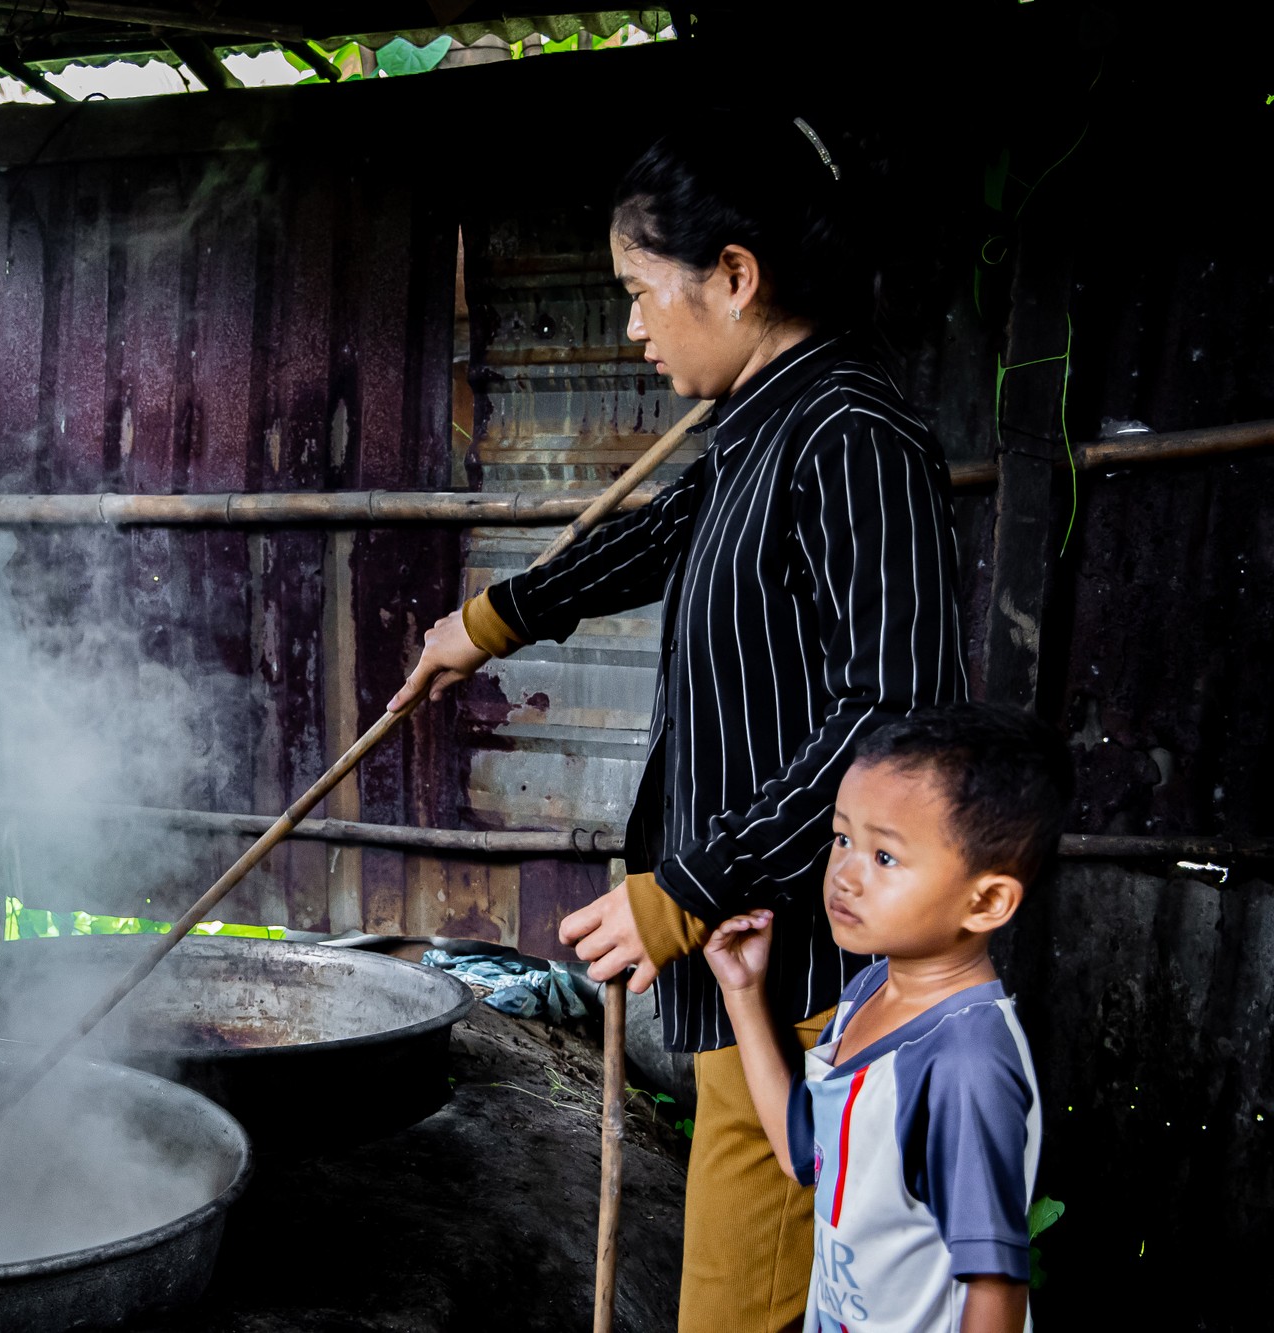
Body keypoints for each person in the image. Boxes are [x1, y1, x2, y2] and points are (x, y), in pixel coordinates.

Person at [390, 113, 966, 1331]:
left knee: (743, 1310)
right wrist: (484, 622)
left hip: (818, 986)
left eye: (643, 293)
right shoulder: (762, 427)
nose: (634, 327)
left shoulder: (850, 436)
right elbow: (661, 535)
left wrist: (685, 884)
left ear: (736, 277)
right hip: (749, 972)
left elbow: (896, 717)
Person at [701, 702, 1069, 1333]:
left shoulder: (965, 1062)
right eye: (843, 838)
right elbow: (805, 1155)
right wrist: (743, 991)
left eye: (885, 858)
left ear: (986, 902)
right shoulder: (872, 987)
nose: (844, 874)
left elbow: (995, 1287)